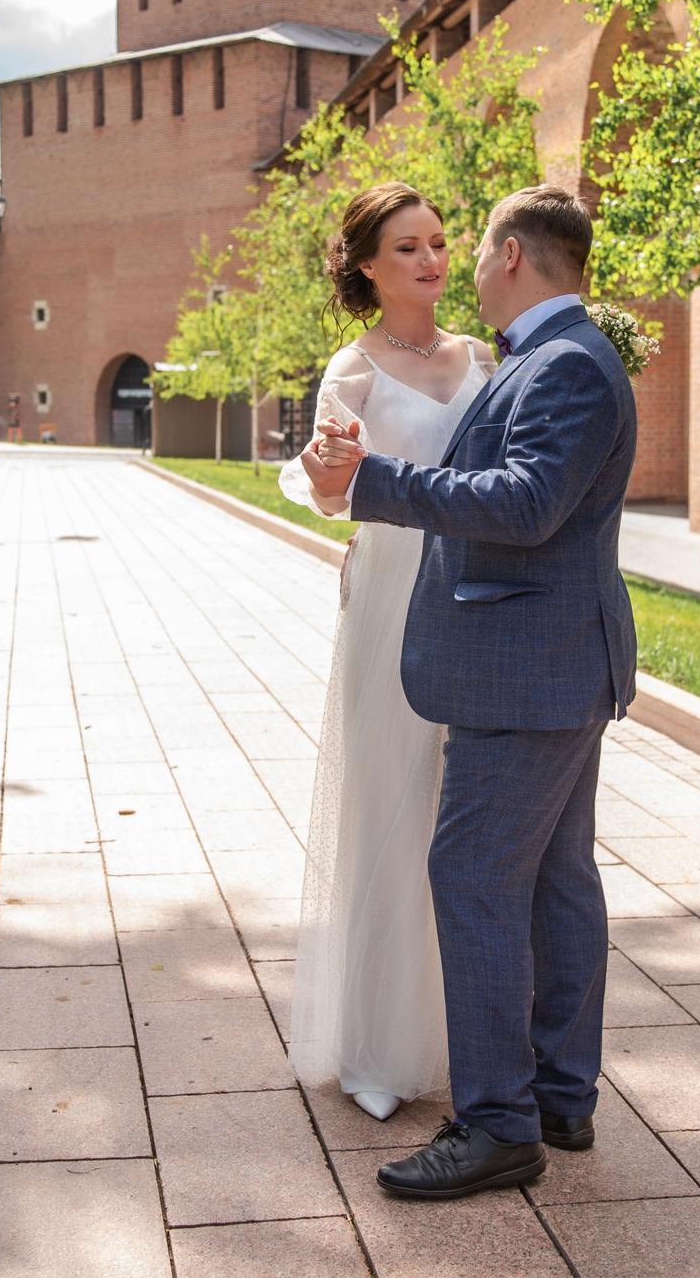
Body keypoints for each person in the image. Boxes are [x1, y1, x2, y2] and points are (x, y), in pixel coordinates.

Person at [300, 183, 638, 1202]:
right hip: (536, 657)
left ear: (512, 260)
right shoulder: (548, 356)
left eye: (472, 244)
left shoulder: (561, 363)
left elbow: (526, 503)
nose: (459, 261)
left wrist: (376, 487)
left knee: (477, 873)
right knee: (554, 878)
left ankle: (498, 1122)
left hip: (523, 669)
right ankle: (559, 1096)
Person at [278, 182, 495, 1122]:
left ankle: (470, 1030)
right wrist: (333, 468)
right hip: (392, 600)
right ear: (368, 264)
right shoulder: (353, 369)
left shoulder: (487, 357)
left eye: (441, 242)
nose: (432, 260)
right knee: (390, 807)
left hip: (486, 595)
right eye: (408, 247)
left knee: (470, 817)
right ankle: (377, 1043)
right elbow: (332, 491)